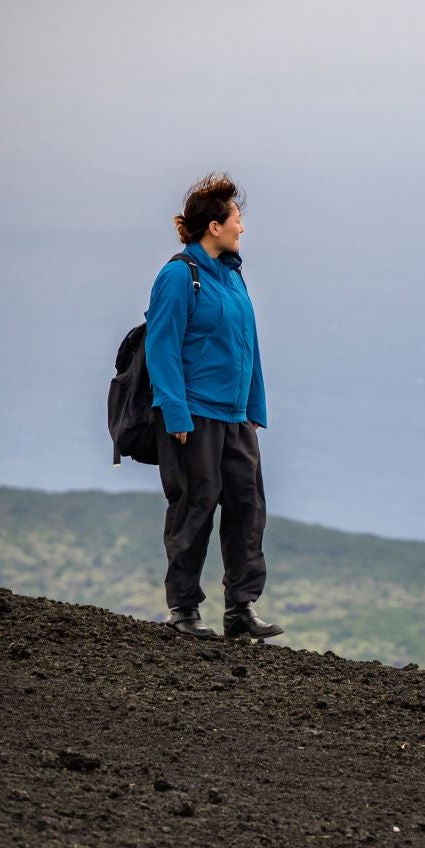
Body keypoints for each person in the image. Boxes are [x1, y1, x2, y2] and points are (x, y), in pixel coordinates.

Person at [144, 173, 283, 641]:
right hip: (194, 415)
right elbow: (161, 348)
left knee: (247, 507)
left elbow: (248, 343)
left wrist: (254, 406)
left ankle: (240, 609)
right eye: (237, 220)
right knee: (195, 507)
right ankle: (183, 608)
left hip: (236, 416)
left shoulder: (232, 275)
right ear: (215, 227)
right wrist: (175, 412)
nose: (242, 228)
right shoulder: (179, 275)